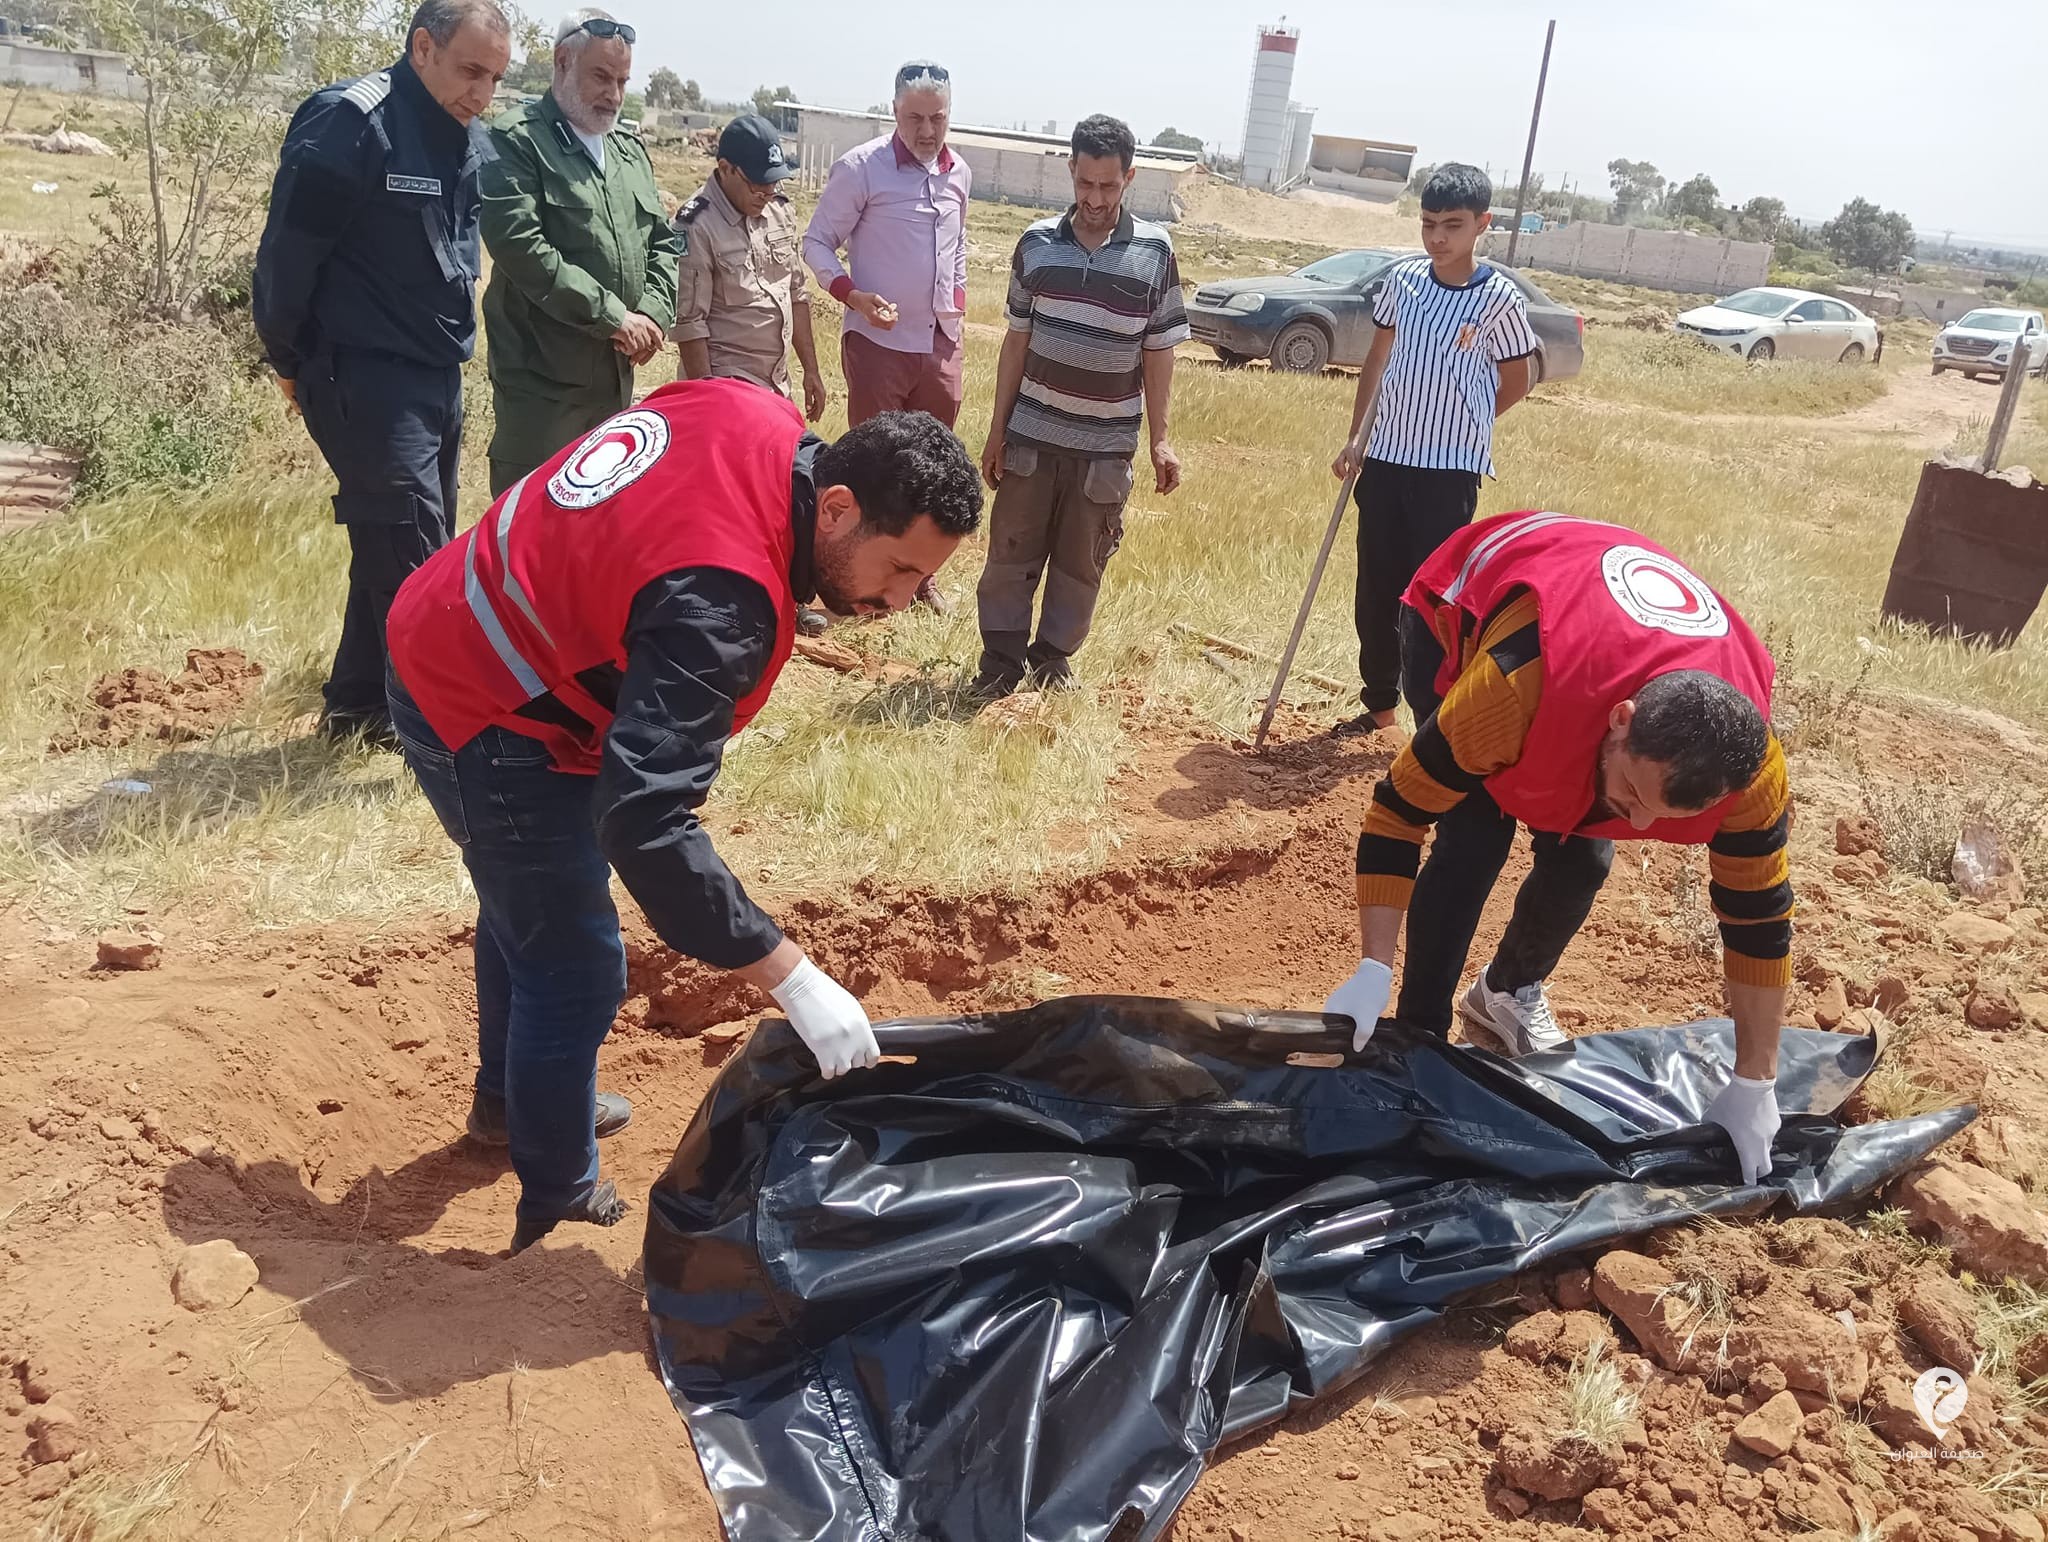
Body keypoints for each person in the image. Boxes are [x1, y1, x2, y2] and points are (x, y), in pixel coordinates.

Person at [384, 381, 983, 1251]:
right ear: (841, 507)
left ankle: (510, 1105)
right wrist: (790, 976)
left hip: (478, 616)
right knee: (575, 965)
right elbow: (645, 819)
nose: (898, 605)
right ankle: (557, 1204)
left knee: (533, 901)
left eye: (923, 582)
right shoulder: (721, 606)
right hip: (481, 695)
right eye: (898, 571)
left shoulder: (757, 413)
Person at [1322, 511, 1793, 1187]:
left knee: (1583, 855)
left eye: (1656, 816)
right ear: (1621, 722)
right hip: (1467, 606)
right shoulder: (1511, 692)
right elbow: (1398, 814)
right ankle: (1416, 1040)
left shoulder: (1751, 776)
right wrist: (1372, 969)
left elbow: (1760, 923)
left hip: (1599, 660)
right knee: (1474, 837)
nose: (1634, 818)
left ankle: (1504, 993)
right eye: (1632, 791)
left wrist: (1756, 1083)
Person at [253, 0, 511, 747]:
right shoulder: (353, 123)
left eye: (495, 77)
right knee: (415, 554)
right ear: (422, 47)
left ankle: (358, 706)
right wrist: (292, 363)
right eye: (470, 71)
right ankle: (436, 729)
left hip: (436, 377)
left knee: (391, 541)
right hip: (362, 376)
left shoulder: (466, 138)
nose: (482, 93)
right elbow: (286, 262)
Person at [971, 114, 1186, 697]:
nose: (1095, 199)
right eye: (1085, 184)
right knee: (1010, 556)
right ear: (1070, 170)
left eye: (1109, 187)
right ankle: (998, 666)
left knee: (1080, 563)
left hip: (1105, 449)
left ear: (1130, 178)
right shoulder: (1036, 244)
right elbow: (1016, 342)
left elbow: (1159, 351)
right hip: (1031, 438)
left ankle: (1051, 662)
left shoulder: (1154, 253)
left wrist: (1160, 438)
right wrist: (998, 431)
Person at [1329, 163, 1537, 737]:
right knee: (1376, 589)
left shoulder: (1498, 299)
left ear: (1481, 225)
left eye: (1452, 225)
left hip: (1449, 476)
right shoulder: (1404, 283)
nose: (1438, 237)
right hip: (1386, 461)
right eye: (1428, 224)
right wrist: (1356, 437)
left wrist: (1471, 422)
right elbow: (1377, 359)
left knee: (1432, 602)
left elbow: (1517, 378)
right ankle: (1378, 705)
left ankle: (1432, 723)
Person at [479, 7, 678, 496]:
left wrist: (652, 315)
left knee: (599, 529)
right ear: (562, 60)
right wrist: (614, 317)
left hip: (614, 386)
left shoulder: (627, 149)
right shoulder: (515, 140)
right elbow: (520, 246)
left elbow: (665, 242)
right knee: (528, 533)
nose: (614, 95)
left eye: (623, 81)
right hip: (543, 392)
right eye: (601, 77)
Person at [802, 59, 969, 611]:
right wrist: (853, 295)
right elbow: (817, 243)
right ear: (894, 110)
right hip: (879, 343)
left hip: (938, 343)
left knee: (933, 465)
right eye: (915, 117)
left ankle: (918, 580)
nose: (926, 130)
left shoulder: (958, 175)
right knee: (878, 465)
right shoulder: (862, 168)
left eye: (937, 118)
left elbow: (957, 251)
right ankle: (855, 581)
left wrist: (958, 308)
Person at [671, 114, 825, 422]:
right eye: (758, 184)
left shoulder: (778, 211)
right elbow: (691, 326)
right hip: (727, 394)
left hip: (778, 390)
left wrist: (811, 370)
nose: (767, 194)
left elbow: (796, 294)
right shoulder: (696, 225)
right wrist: (707, 407)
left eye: (773, 183)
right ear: (726, 168)